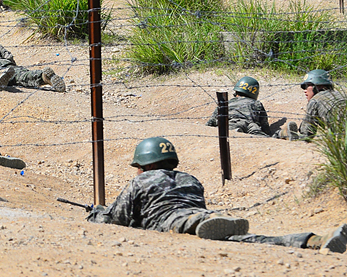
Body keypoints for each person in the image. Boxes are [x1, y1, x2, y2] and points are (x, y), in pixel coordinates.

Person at [86, 137, 347, 252]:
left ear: (147, 164)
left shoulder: (141, 181)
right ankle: (313, 240)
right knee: (244, 239)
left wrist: (96, 214)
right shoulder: (191, 179)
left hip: (174, 222)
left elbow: (115, 220)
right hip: (201, 214)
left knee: (184, 222)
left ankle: (200, 223)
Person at [0, 22, 66, 92]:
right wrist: (10, 65)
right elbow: (7, 55)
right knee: (19, 75)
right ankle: (42, 76)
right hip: (4, 62)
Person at [278, 69, 347, 140]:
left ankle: (282, 133)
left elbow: (306, 133)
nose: (305, 91)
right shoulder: (342, 95)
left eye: (306, 86)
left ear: (317, 86)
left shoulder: (315, 100)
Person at [205, 76, 272, 136]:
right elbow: (265, 126)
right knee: (265, 138)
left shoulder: (226, 102)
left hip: (227, 123)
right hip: (248, 124)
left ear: (236, 91)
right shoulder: (256, 103)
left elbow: (212, 120)